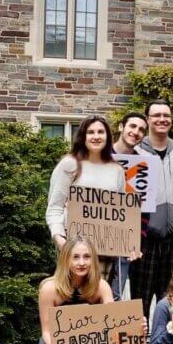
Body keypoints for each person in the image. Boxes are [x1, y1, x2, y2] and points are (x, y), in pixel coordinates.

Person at [38, 237, 144, 344]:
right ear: (66, 259)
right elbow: (47, 332)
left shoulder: (101, 286)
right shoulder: (49, 289)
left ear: (93, 260)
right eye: (76, 257)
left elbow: (114, 327)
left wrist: (134, 326)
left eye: (87, 257)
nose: (82, 262)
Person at [130, 100, 173, 318]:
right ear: (147, 119)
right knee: (138, 301)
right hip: (145, 241)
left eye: (166, 115)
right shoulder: (135, 152)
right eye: (156, 115)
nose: (162, 119)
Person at [45, 115, 127, 280]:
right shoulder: (70, 164)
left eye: (100, 132)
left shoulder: (117, 169)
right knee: (73, 301)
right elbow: (55, 206)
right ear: (83, 136)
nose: (96, 136)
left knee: (100, 301)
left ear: (108, 136)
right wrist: (59, 238)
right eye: (91, 132)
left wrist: (128, 243)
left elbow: (121, 212)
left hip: (105, 249)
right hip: (74, 248)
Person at [110, 112, 150, 300]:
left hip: (125, 241)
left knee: (115, 295)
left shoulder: (143, 166)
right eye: (132, 126)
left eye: (141, 129)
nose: (136, 132)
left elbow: (144, 209)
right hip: (95, 234)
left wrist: (136, 241)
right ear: (121, 127)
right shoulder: (100, 155)